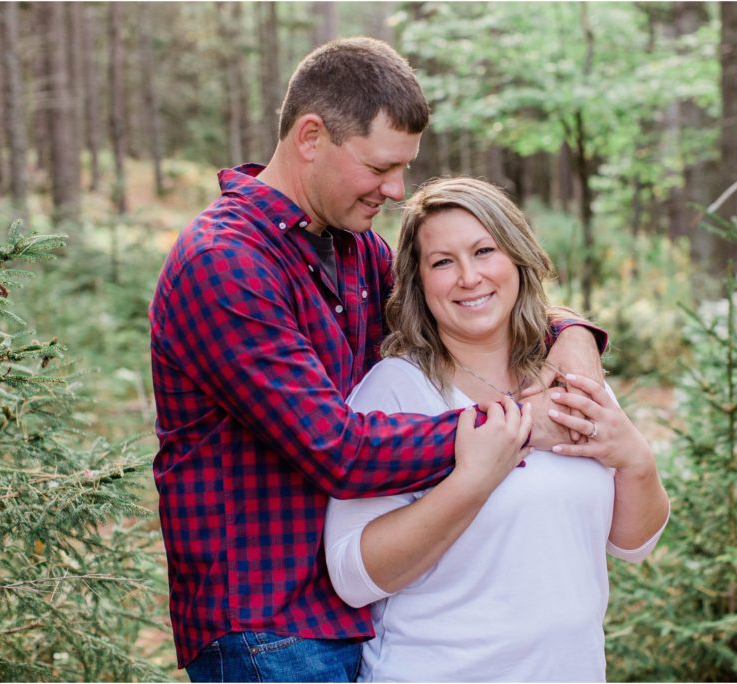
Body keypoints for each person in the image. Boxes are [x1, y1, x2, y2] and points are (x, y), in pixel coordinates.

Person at [149, 38, 606, 682]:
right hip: (264, 630)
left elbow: (462, 301)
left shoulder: (353, 250)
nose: (395, 191)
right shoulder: (226, 263)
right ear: (311, 136)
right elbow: (338, 449)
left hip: (355, 616)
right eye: (380, 168)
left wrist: (573, 332)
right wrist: (519, 426)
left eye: (404, 168)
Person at [324, 177, 670, 682]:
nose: (469, 277)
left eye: (484, 251)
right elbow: (354, 576)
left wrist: (635, 458)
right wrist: (473, 480)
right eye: (443, 261)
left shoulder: (572, 379)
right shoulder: (397, 391)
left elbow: (634, 543)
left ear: (516, 257)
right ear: (418, 283)